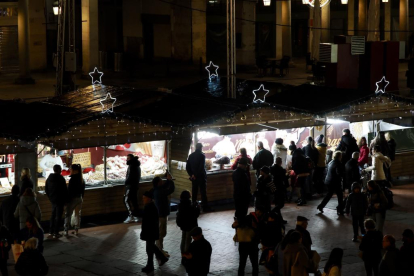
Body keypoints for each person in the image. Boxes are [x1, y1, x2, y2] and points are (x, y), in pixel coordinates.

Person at [140, 190, 168, 273]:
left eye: (144, 198)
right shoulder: (150, 206)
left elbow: (149, 221)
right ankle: (157, 261)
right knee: (151, 247)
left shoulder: (150, 207)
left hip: (150, 232)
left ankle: (151, 265)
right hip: (150, 231)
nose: (143, 199)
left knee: (149, 249)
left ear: (149, 198)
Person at [232, 207, 263, 276]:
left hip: (243, 244)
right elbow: (259, 232)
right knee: (254, 265)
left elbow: (233, 226)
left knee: (242, 264)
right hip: (252, 244)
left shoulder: (244, 218)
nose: (259, 213)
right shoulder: (255, 219)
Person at [152, 172, 175, 254]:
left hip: (161, 214)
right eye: (161, 181)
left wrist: (168, 180)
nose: (163, 182)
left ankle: (160, 249)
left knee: (161, 232)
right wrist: (171, 181)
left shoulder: (157, 189)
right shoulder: (160, 192)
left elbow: (164, 186)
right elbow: (171, 190)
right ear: (158, 183)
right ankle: (159, 251)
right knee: (161, 233)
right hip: (161, 215)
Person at [186, 143, 212, 212]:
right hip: (201, 177)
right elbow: (201, 168)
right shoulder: (202, 156)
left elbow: (187, 167)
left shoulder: (190, 156)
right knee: (203, 192)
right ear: (201, 148)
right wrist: (196, 175)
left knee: (194, 192)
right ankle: (205, 207)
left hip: (194, 178)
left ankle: (193, 207)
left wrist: (192, 175)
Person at [176, 190, 200, 264]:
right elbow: (195, 214)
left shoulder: (180, 205)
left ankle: (183, 255)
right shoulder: (190, 205)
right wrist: (198, 207)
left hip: (183, 225)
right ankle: (186, 257)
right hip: (190, 226)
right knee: (188, 241)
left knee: (183, 240)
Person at [317, 151, 344, 215]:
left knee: (329, 194)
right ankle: (340, 209)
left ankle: (321, 206)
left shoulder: (331, 162)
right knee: (340, 195)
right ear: (340, 156)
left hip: (328, 180)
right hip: (335, 182)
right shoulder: (338, 163)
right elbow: (338, 173)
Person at [45, 165, 67, 238]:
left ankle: (50, 231)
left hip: (53, 200)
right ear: (58, 170)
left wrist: (50, 197)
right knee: (58, 216)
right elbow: (64, 190)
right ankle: (56, 232)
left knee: (53, 215)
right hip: (60, 200)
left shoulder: (49, 178)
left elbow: (46, 189)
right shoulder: (61, 179)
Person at [64, 164, 85, 236]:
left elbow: (69, 191)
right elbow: (83, 191)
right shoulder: (81, 179)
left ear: (75, 170)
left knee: (68, 214)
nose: (70, 170)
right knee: (77, 214)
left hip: (72, 199)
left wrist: (67, 201)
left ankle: (66, 230)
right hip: (79, 198)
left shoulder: (72, 179)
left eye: (71, 169)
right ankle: (76, 230)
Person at [124, 154, 141, 223]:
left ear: (131, 159)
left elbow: (130, 177)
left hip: (130, 186)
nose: (126, 160)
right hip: (135, 186)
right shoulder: (137, 165)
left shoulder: (132, 166)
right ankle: (136, 216)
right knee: (134, 201)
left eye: (128, 158)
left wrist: (126, 183)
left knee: (126, 200)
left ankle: (131, 216)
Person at [270, 157, 288, 224]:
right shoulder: (281, 170)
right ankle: (272, 212)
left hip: (274, 188)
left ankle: (279, 219)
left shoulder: (271, 169)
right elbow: (284, 179)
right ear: (281, 162)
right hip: (280, 188)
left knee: (277, 203)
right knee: (281, 204)